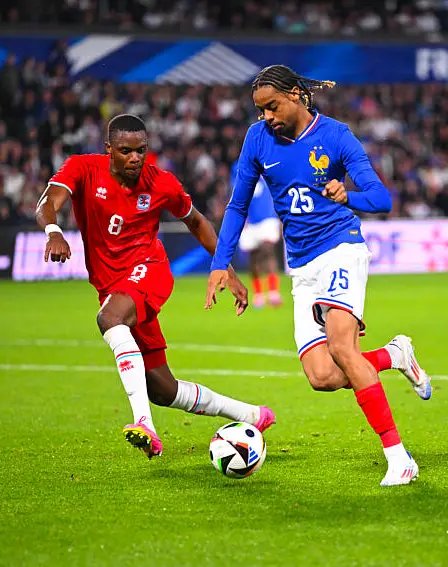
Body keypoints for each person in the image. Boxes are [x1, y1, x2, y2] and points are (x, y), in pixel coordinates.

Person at [205, 65, 432, 487]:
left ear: (296, 94)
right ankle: (394, 356)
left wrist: (350, 195)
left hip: (341, 248)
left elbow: (382, 198)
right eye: (260, 110)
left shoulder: (336, 136)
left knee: (343, 348)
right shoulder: (257, 139)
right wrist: (221, 263)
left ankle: (399, 458)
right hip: (302, 266)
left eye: (272, 106)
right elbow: (237, 206)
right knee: (322, 377)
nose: (267, 117)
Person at [36, 114, 275, 460]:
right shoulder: (83, 168)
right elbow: (47, 202)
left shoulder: (161, 183)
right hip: (112, 285)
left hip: (150, 270)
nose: (135, 158)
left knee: (109, 318)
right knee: (163, 389)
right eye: (126, 151)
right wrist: (53, 231)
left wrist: (225, 267)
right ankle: (251, 415)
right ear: (109, 149)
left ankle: (143, 423)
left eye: (141, 150)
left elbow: (196, 221)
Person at [235, 164, 284, 308]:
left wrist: (280, 217)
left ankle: (273, 292)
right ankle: (258, 294)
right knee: (253, 258)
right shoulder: (241, 170)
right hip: (251, 223)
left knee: (268, 252)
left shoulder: (270, 168)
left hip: (268, 220)